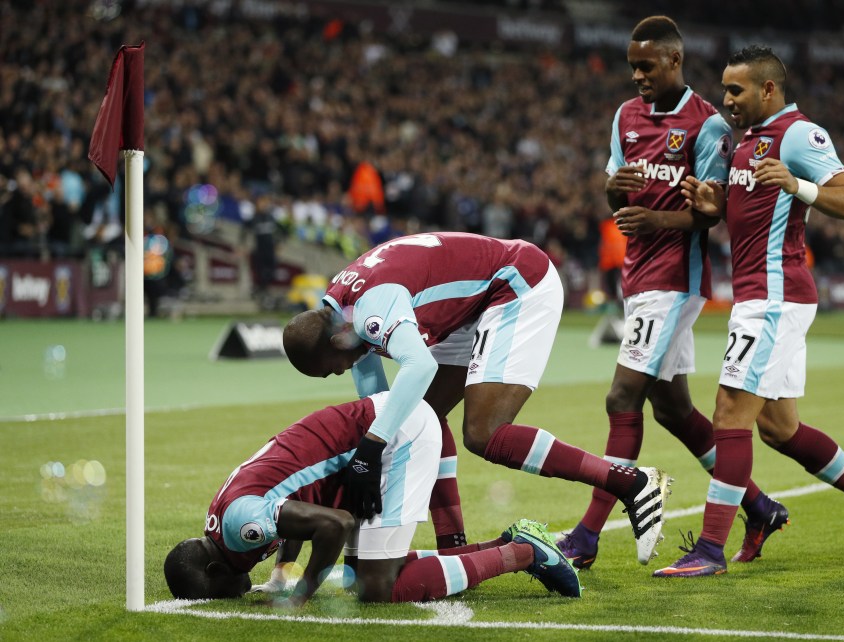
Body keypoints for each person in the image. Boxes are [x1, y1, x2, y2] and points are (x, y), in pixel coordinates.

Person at [655, 45, 844, 577]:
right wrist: (711, 206)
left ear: (768, 90)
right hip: (759, 297)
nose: (726, 100)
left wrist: (798, 184)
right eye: (724, 90)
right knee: (779, 427)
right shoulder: (746, 142)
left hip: (774, 298)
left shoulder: (798, 134)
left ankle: (709, 549)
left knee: (729, 413)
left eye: (736, 91)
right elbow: (749, 212)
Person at [282, 231, 672, 565]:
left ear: (335, 343)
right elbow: (385, 405)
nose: (338, 372)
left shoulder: (369, 309)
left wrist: (372, 445)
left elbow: (418, 368)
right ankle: (454, 549)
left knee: (484, 433)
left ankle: (631, 483)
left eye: (331, 368)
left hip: (515, 283)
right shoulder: (339, 309)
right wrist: (374, 447)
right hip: (469, 304)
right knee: (421, 419)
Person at [557, 16, 786, 571]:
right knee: (672, 408)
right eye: (632, 66)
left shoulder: (707, 125)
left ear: (674, 61)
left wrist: (654, 215)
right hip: (638, 278)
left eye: (647, 66)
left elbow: (711, 214)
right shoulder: (626, 116)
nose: (637, 76)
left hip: (675, 281)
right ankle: (757, 506)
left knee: (621, 398)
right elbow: (615, 190)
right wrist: (614, 191)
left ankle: (586, 536)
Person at [164, 392, 582, 603]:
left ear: (216, 567)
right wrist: (280, 575)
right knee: (356, 575)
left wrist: (301, 593)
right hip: (371, 440)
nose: (229, 596)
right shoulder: (223, 520)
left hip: (392, 437)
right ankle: (504, 544)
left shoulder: (239, 528)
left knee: (377, 586)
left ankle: (526, 553)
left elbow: (335, 524)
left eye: (215, 591)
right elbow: (291, 516)